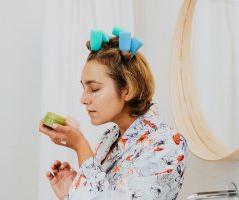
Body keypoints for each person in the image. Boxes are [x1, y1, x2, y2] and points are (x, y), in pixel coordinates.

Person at [39, 27, 187, 200]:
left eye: (94, 89)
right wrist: (71, 192)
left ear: (127, 89)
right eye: (84, 88)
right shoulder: (109, 137)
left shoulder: (167, 144)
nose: (83, 99)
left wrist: (80, 146)